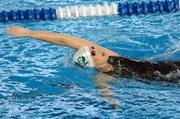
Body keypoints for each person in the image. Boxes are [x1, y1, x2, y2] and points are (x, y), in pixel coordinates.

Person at [6, 26, 180, 108]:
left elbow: (63, 40)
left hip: (170, 67)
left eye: (93, 48)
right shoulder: (101, 76)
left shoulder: (111, 57)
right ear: (90, 63)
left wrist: (29, 33)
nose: (96, 50)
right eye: (93, 53)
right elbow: (106, 91)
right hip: (168, 82)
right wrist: (114, 104)